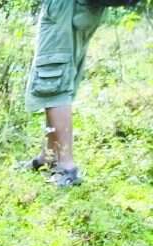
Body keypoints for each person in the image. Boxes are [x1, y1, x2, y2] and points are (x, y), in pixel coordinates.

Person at [23, 0, 105, 187]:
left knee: (52, 78)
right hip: (78, 9)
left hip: (64, 8)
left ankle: (66, 165)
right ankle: (49, 156)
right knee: (57, 75)